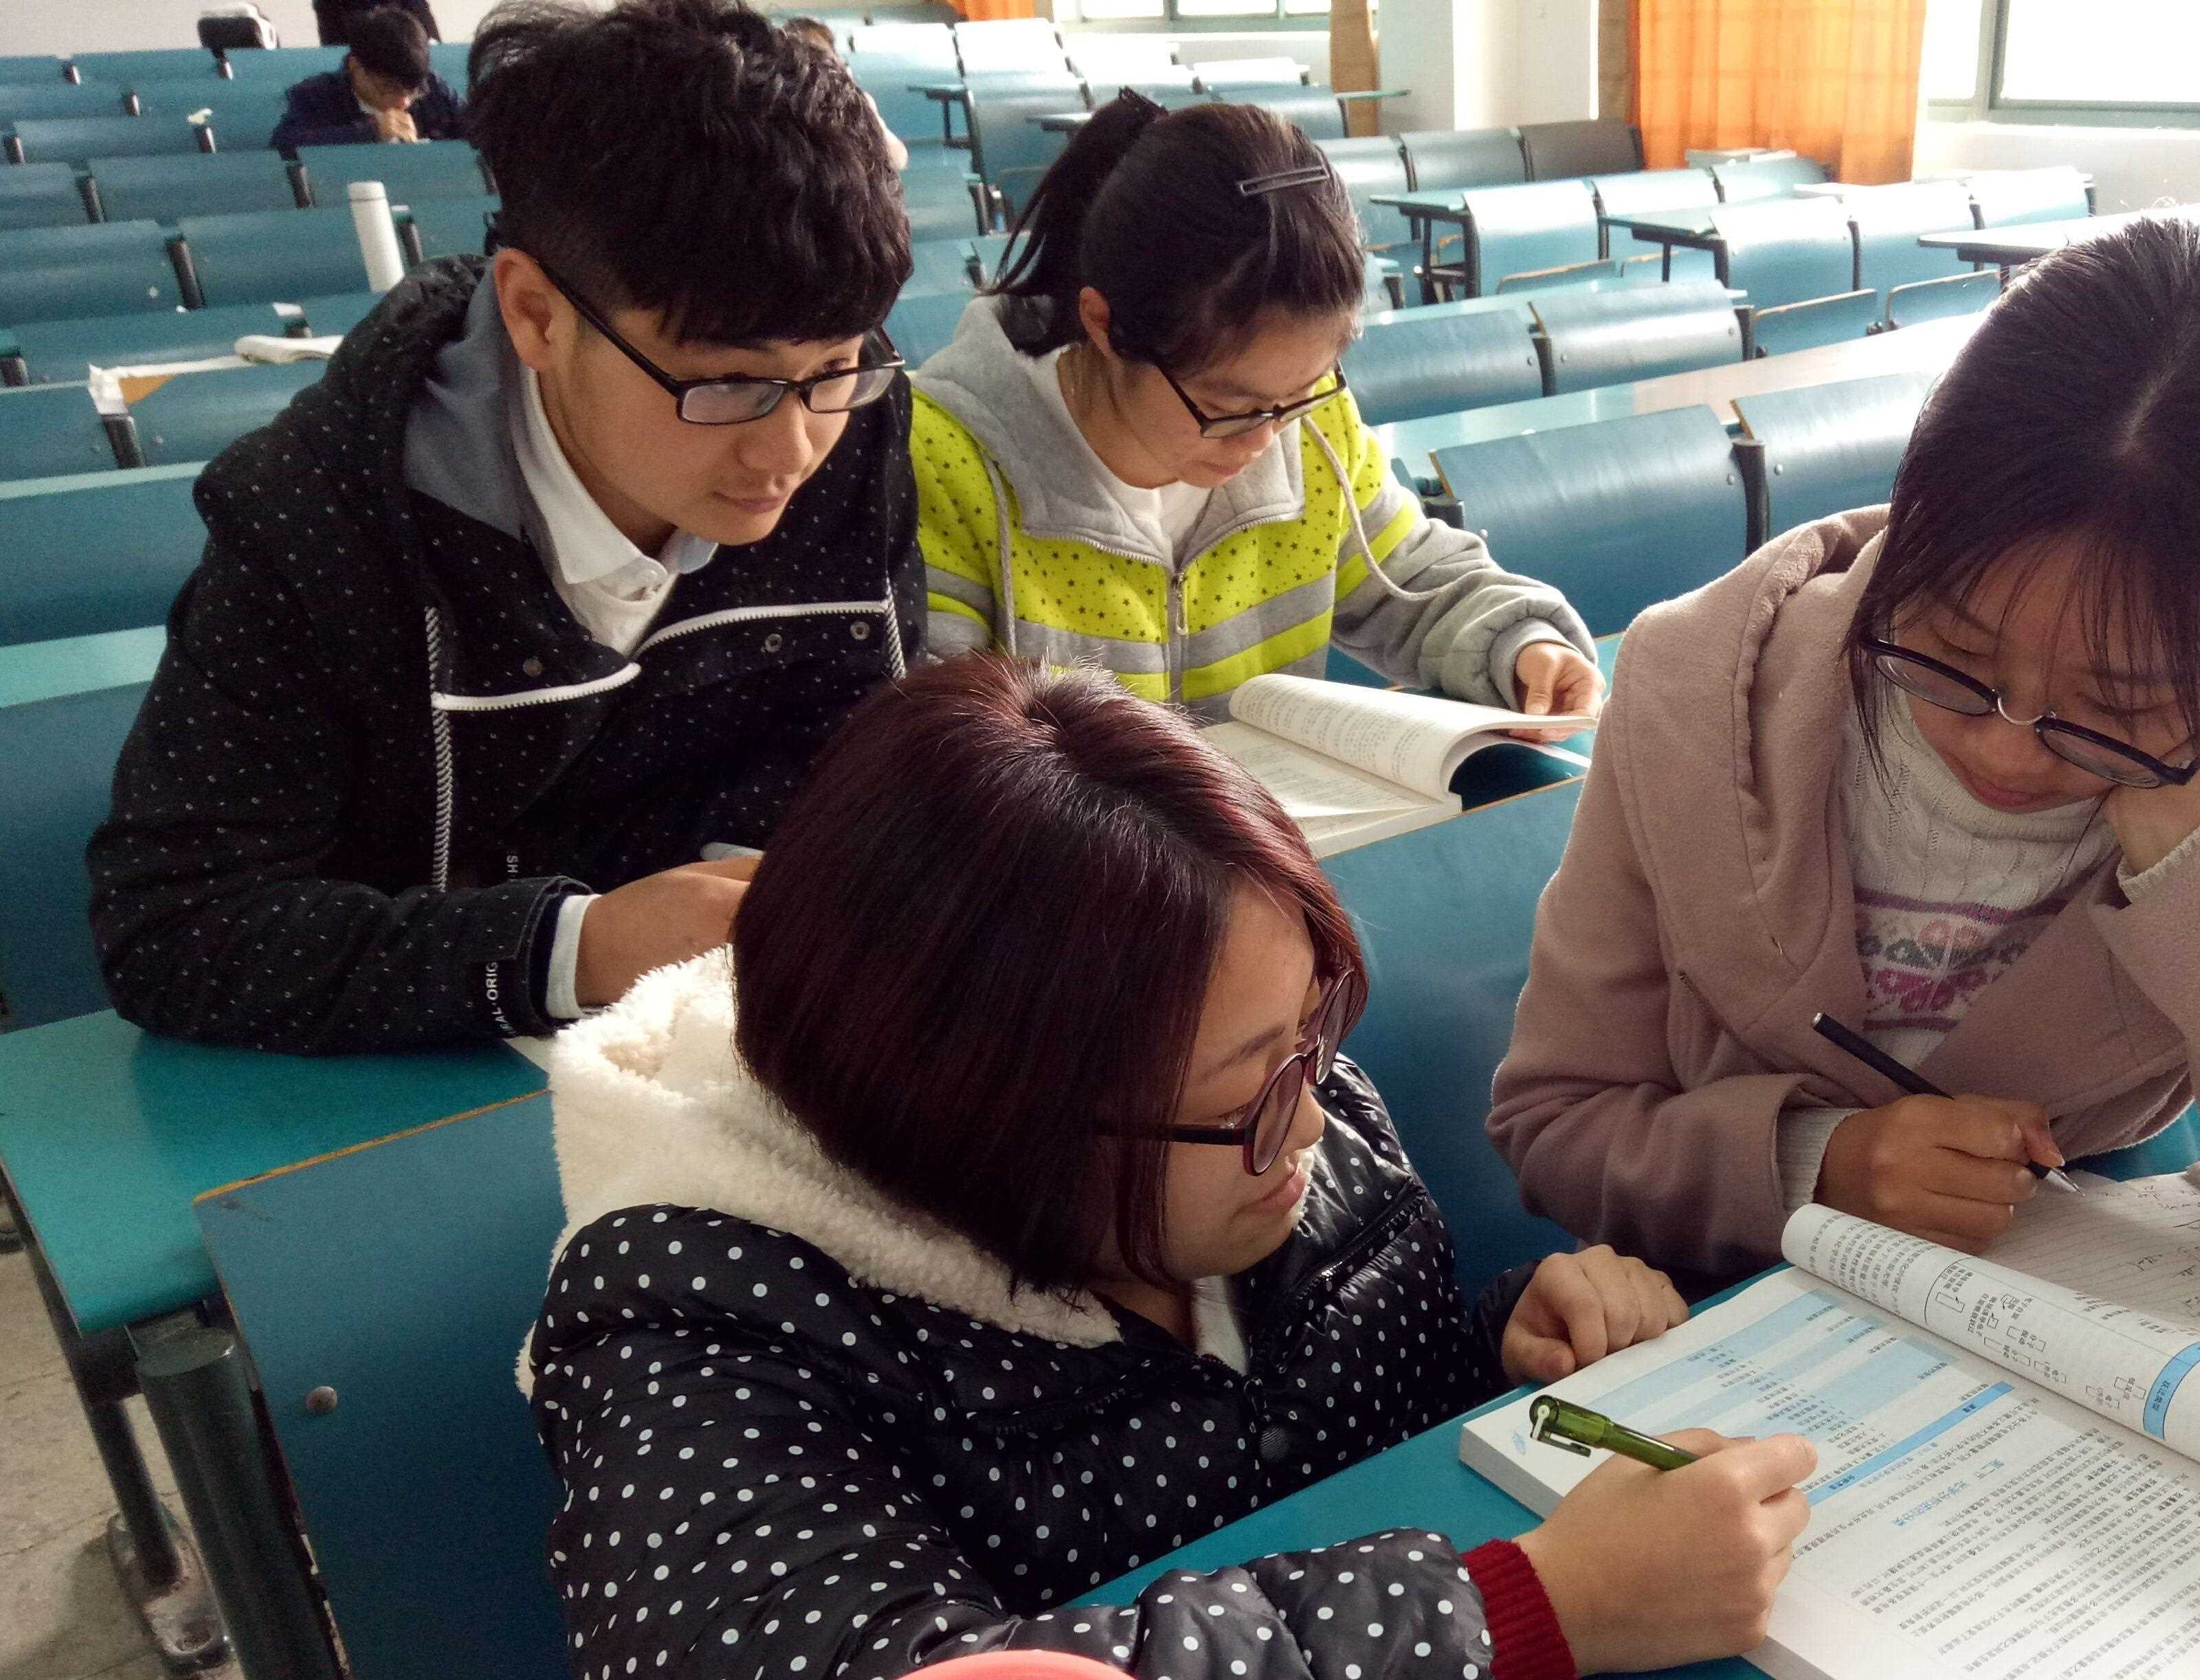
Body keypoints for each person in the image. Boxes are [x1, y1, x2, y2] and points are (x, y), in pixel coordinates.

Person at [524, 653, 1816, 1680]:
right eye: (1258, 1092)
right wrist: (1532, 1617)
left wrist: (1498, 1345)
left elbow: (1316, 1418)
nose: (1313, 1121)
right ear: (986, 1130)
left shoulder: (1244, 1087)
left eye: (1312, 1037)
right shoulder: (699, 1322)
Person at [1489, 217, 2200, 1328]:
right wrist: (1817, 1163)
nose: (2005, 746)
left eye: (2121, 705)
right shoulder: (1706, 690)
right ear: (1912, 528)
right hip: (1724, 1340)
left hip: (2084, 1385)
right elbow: (1559, 1123)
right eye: (1950, 653)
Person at [90, 0, 920, 1055]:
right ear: (535, 314)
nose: (792, 450)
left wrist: (747, 885)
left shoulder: (855, 424)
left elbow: (845, 742)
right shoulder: (316, 520)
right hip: (395, 1099)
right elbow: (174, 929)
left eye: (836, 366)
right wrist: (581, 945)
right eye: (729, 386)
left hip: (718, 1049)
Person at [906, 93, 1603, 726]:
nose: (1267, 439)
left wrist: (1520, 644)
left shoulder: (1308, 419)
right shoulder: (945, 461)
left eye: (1300, 393)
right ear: (1104, 326)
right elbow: (949, 759)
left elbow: (1413, 581)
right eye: (1226, 405)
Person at [271, 5, 466, 150]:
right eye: (388, 88)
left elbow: (481, 127)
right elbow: (284, 145)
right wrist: (369, 132)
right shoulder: (316, 96)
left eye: (413, 91)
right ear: (356, 66)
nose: (403, 101)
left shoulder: (433, 88)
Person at [781, 16, 911, 171]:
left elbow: (897, 158)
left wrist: (855, 98)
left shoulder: (856, 102)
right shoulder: (778, 107)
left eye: (820, 57)